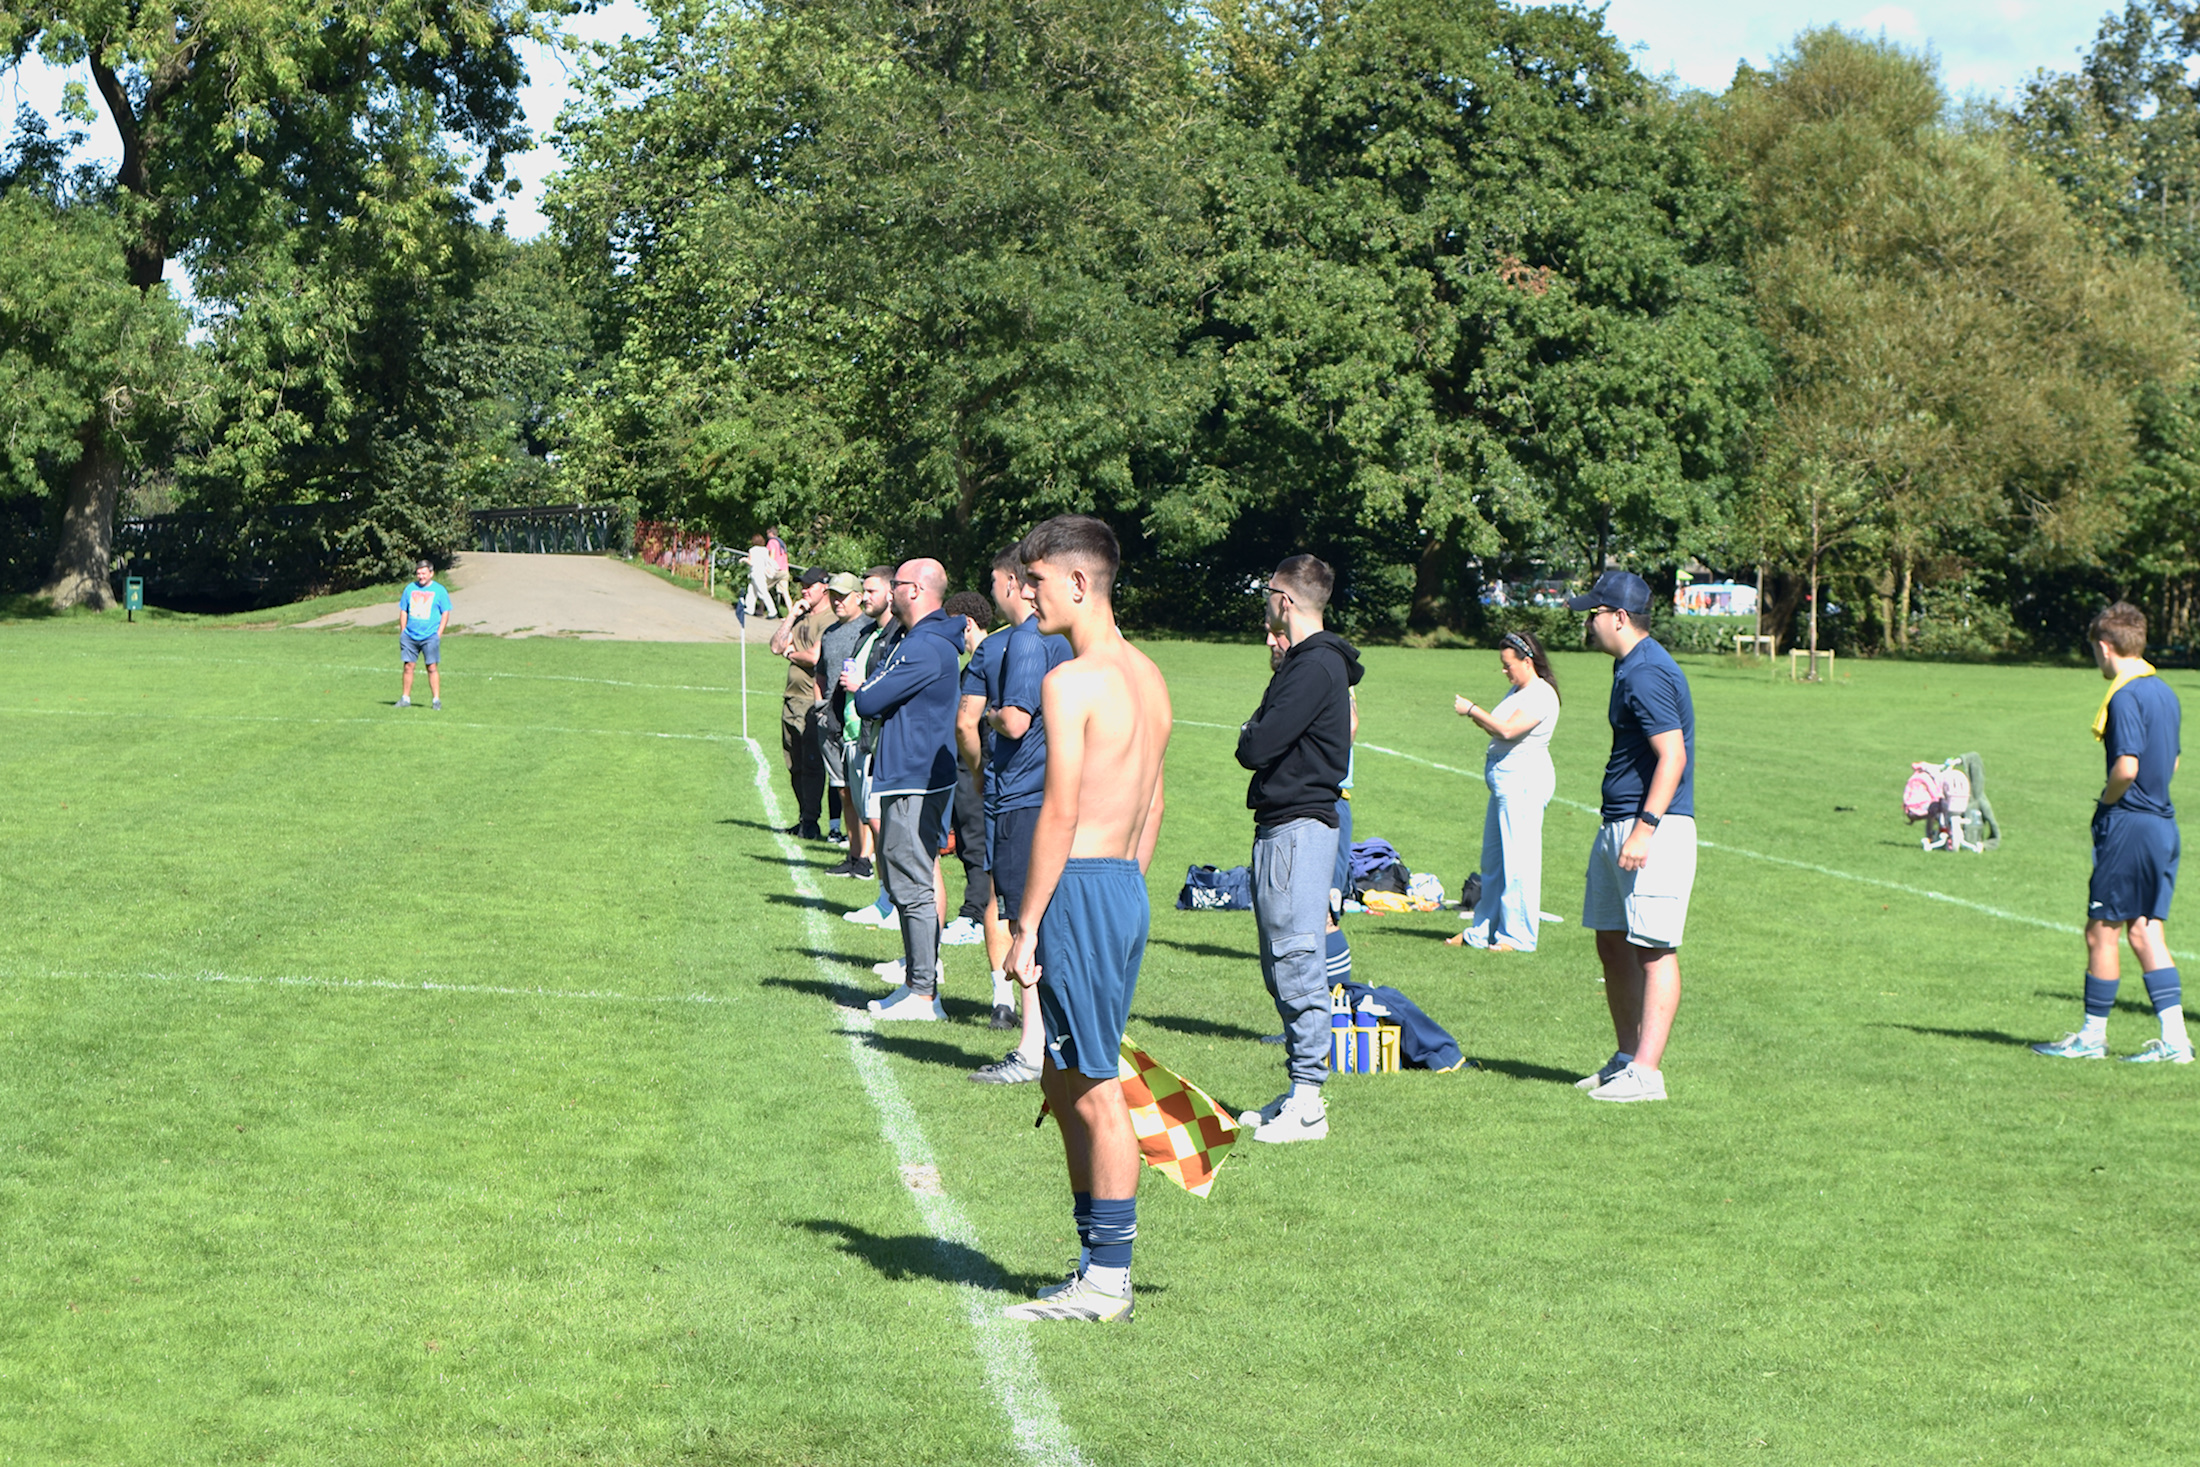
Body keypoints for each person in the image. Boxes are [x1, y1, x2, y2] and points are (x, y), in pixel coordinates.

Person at [1001, 514, 1171, 1323]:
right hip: (1118, 886)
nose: (1026, 594)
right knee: (1063, 1075)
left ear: (1077, 582)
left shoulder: (1070, 682)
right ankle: (1092, 1261)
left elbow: (1060, 809)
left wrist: (1030, 920)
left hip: (1078, 885)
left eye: (1035, 580)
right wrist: (1123, 889)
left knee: (1096, 1085)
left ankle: (1107, 1279)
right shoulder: (1149, 674)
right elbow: (1156, 798)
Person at [1234, 554, 1362, 1144]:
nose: (1265, 602)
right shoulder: (1306, 664)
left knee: (1295, 961)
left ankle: (1309, 1103)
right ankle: (1300, 1089)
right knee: (1280, 963)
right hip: (1286, 823)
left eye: (1268, 592)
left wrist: (1271, 693)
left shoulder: (1313, 667)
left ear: (1285, 600)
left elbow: (1255, 745)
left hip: (1299, 826)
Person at [2034, 602, 2190, 1062]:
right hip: (2163, 824)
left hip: (2129, 826)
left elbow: (2127, 765)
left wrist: (2107, 804)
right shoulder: (2165, 691)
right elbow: (2173, 760)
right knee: (2145, 932)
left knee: (2101, 931)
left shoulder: (2124, 696)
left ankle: (2091, 1038)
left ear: (2105, 647)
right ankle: (2177, 1042)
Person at [1565, 570, 1696, 1103]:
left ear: (1618, 618)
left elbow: (1673, 755)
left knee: (1653, 949)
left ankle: (1648, 1073)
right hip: (1619, 822)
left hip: (1650, 829)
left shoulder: (1645, 672)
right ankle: (1626, 1057)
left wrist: (1645, 828)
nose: (1588, 623)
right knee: (1611, 941)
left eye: (1593, 614)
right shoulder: (1629, 667)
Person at [966, 543, 1074, 1084]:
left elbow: (1012, 721)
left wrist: (985, 714)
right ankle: (1054, 1043)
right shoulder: (1064, 640)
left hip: (1021, 800)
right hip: (1053, 795)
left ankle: (1032, 1049)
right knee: (1050, 925)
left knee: (1023, 924)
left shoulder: (1028, 642)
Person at [853, 560, 964, 1020]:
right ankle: (917, 986)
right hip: (913, 774)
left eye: (895, 585)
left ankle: (923, 993)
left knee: (912, 883)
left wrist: (868, 687)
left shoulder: (923, 647)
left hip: (915, 778)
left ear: (914, 590)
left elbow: (867, 698)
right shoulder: (919, 642)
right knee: (906, 880)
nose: (888, 594)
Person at [1448, 630, 1562, 952]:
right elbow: (1496, 725)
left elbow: (1508, 729)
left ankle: (1518, 937)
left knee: (1518, 862)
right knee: (1494, 862)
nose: (1504, 670)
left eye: (1508, 664)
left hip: (1524, 780)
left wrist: (1472, 709)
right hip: (1506, 780)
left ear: (1528, 661)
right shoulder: (1518, 689)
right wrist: (1480, 717)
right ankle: (1482, 932)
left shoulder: (1541, 694)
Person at [830, 567, 897, 884]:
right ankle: (873, 879)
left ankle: (890, 895)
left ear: (891, 593)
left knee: (877, 818)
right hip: (853, 736)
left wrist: (863, 685)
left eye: (871, 591)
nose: (865, 597)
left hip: (874, 741)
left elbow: (893, 684)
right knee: (860, 810)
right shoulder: (868, 633)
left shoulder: (899, 636)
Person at [941, 589, 998, 949]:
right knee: (967, 842)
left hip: (978, 766)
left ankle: (975, 916)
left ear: (968, 624)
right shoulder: (976, 664)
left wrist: (977, 770)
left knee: (977, 843)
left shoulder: (990, 660)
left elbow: (974, 723)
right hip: (967, 767)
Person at [770, 567, 836, 840]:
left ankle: (811, 821)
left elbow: (813, 657)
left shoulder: (831, 618)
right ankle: (803, 817)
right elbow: (775, 645)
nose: (804, 590)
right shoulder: (802, 618)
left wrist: (790, 653)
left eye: (810, 585)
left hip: (810, 699)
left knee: (811, 765)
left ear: (824, 587)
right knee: (793, 763)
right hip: (791, 699)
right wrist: (792, 614)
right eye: (803, 585)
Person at [814, 573, 869, 843]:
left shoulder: (871, 629)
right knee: (843, 789)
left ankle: (867, 852)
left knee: (862, 792)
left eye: (843, 596)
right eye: (833, 596)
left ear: (859, 597)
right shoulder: (830, 633)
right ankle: (853, 849)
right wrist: (819, 706)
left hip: (860, 719)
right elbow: (820, 673)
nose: (837, 602)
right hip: (831, 719)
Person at [396, 559, 451, 710]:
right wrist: (403, 631)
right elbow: (403, 610)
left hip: (429, 636)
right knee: (408, 666)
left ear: (431, 574)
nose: (421, 576)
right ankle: (405, 698)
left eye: (424, 573)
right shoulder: (409, 589)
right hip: (410, 636)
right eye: (418, 573)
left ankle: (436, 700)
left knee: (431, 667)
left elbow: (445, 612)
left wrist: (438, 633)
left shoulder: (439, 591)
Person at [742, 534, 781, 619]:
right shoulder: (765, 550)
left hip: (755, 573)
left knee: (762, 592)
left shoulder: (752, 550)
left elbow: (751, 562)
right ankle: (749, 608)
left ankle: (772, 611)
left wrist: (744, 559)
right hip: (762, 573)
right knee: (751, 590)